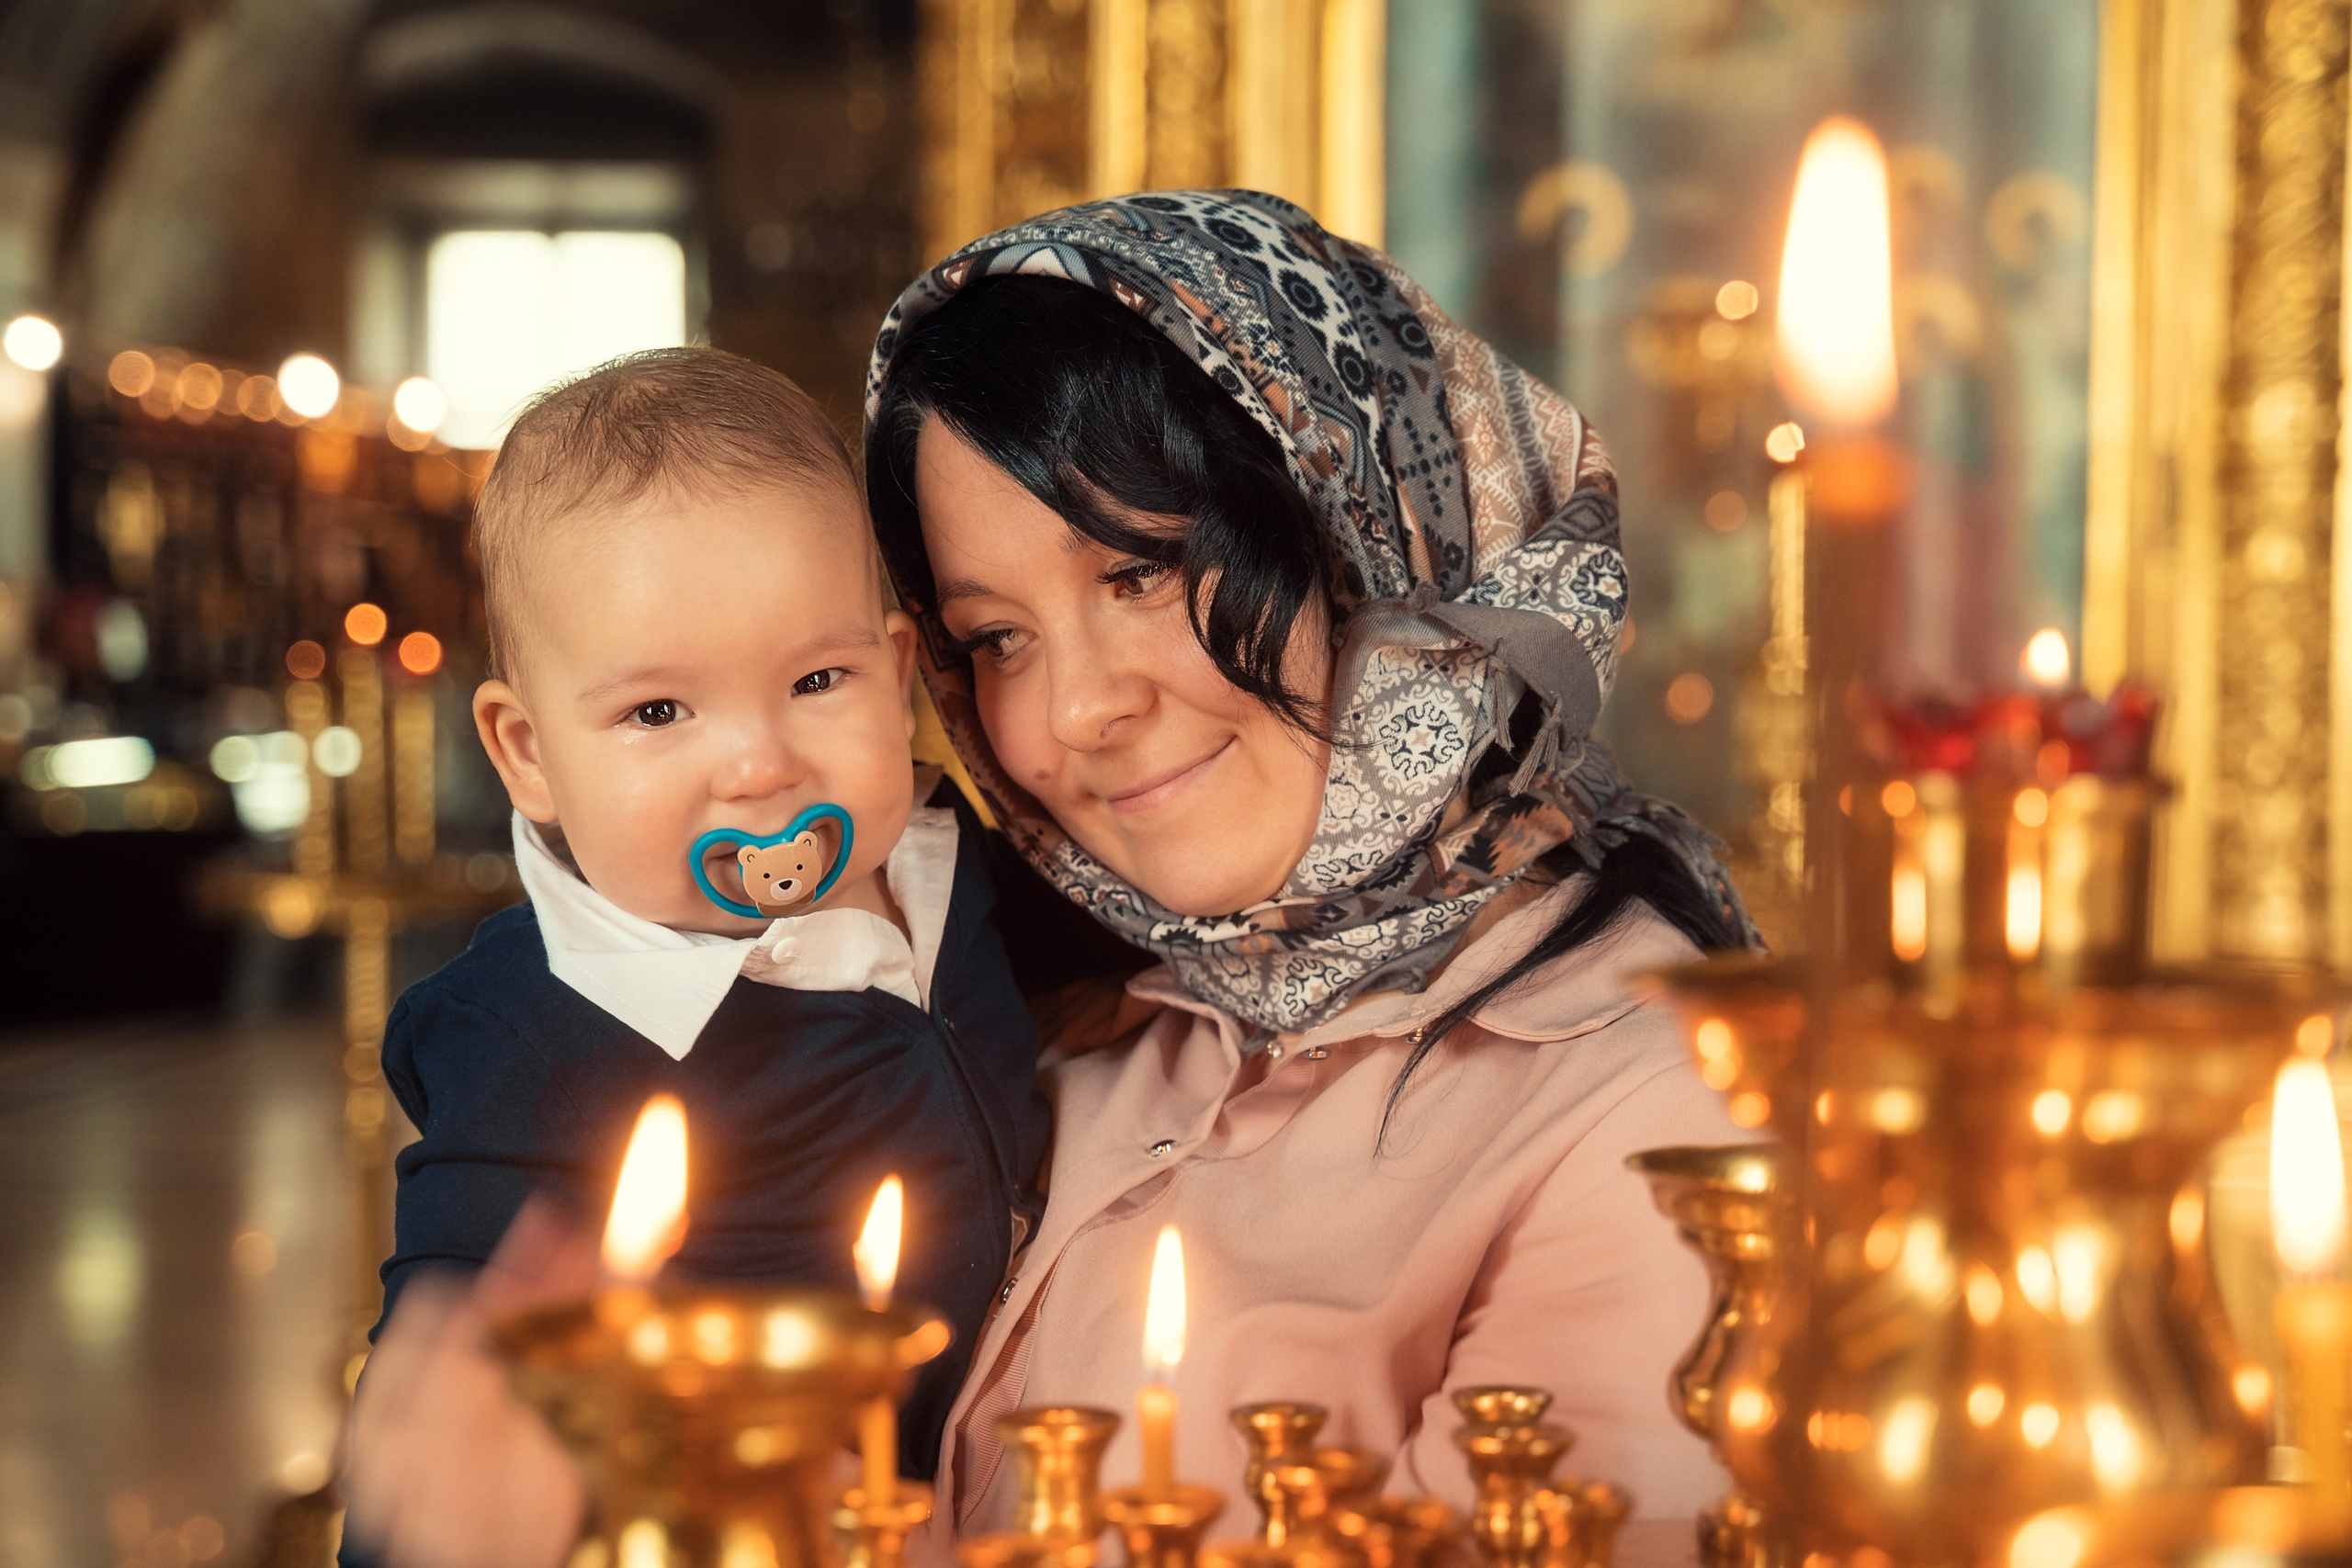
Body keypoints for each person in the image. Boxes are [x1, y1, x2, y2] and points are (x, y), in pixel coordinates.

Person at [343, 195, 1755, 1567]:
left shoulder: (1656, 1114)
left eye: (1140, 574)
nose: (1074, 713)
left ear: (1360, 524)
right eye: (998, 639)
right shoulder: (1096, 975)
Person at [340, 347, 1049, 1568]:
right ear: (527, 753)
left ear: (893, 671)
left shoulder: (963, 866)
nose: (761, 767)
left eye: (816, 679)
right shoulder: (530, 1040)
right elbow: (461, 1391)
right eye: (659, 713)